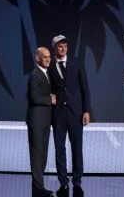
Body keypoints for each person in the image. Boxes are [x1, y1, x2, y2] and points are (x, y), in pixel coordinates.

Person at [49, 35, 90, 197]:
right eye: (60, 46)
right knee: (60, 148)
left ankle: (77, 182)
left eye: (65, 45)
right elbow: (47, 87)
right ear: (54, 48)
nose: (63, 48)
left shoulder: (77, 63)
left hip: (75, 113)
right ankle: (63, 183)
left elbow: (85, 87)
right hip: (58, 113)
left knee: (77, 148)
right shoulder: (50, 65)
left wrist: (86, 110)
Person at [27, 47, 56, 197]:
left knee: (42, 155)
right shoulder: (35, 75)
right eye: (44, 57)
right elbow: (35, 98)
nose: (48, 59)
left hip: (45, 120)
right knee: (37, 154)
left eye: (49, 57)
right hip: (37, 120)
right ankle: (39, 188)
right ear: (37, 58)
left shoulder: (46, 73)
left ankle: (38, 188)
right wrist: (50, 99)